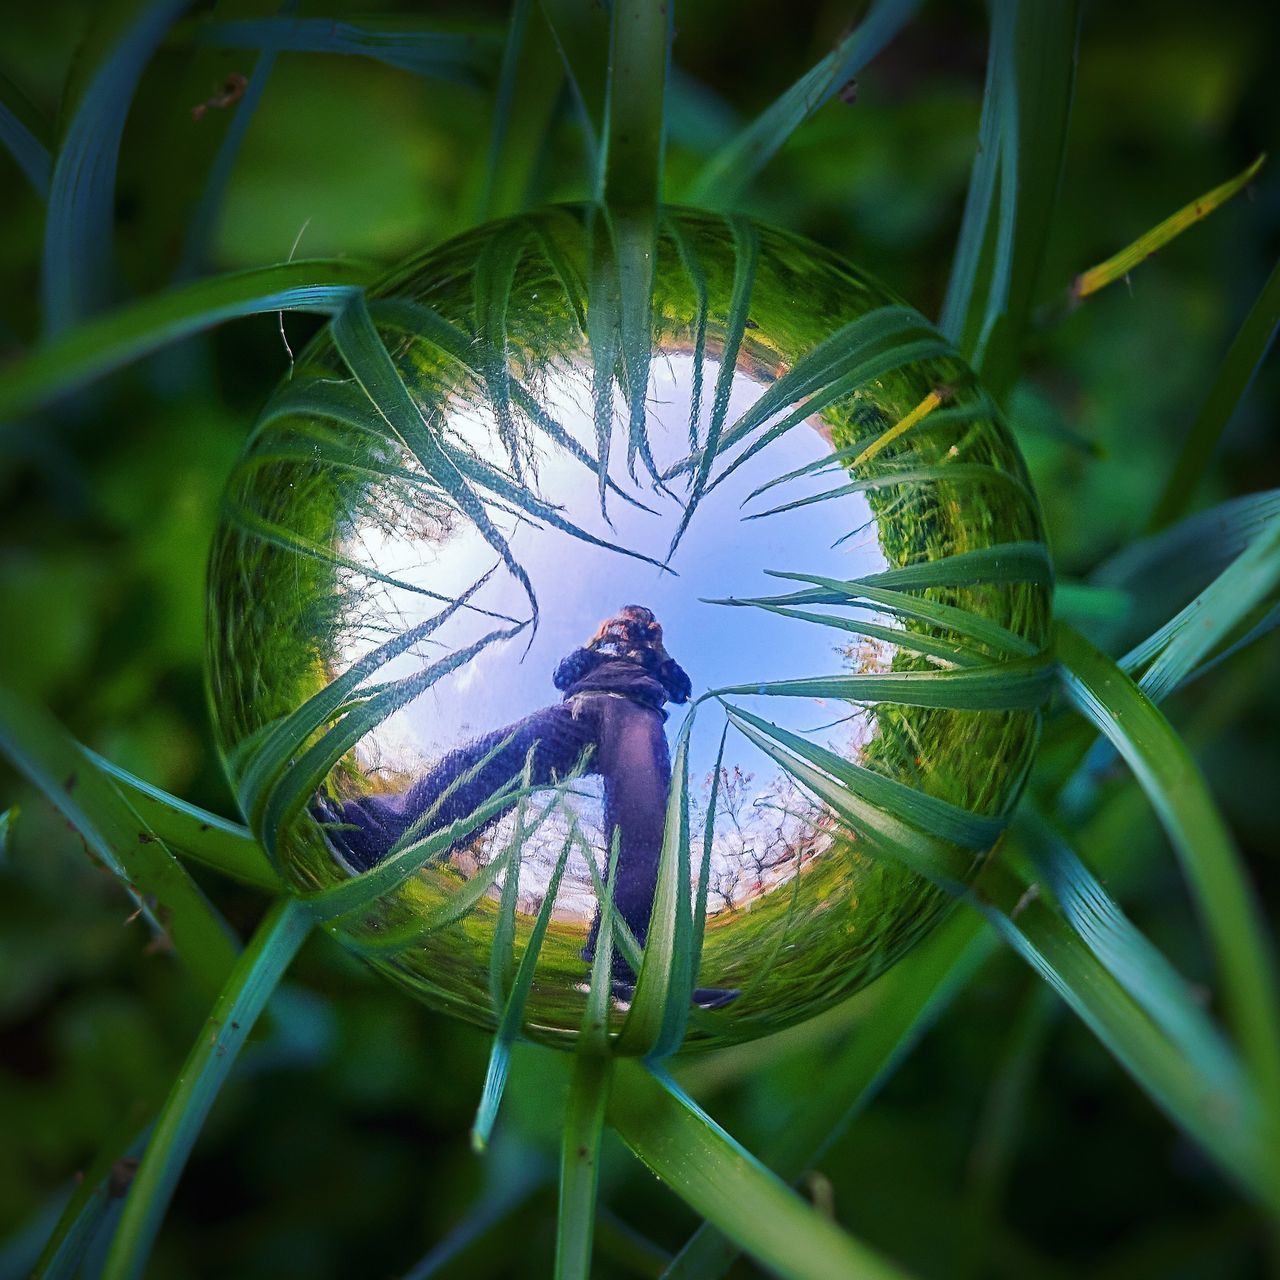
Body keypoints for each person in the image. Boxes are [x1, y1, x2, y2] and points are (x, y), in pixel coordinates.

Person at [316, 605, 737, 1009]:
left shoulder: (655, 659)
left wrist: (657, 649)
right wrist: (594, 639)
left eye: (640, 621)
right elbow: (562, 675)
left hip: (638, 717)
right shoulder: (598, 650)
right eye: (627, 618)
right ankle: (373, 837)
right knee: (493, 756)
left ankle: (621, 967)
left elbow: (681, 691)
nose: (632, 625)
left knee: (643, 821)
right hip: (578, 706)